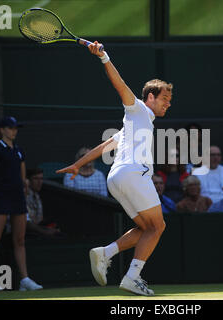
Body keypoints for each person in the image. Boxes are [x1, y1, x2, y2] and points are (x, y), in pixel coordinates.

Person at [56, 41, 172, 296]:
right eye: (164, 98)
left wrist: (78, 164)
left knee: (146, 229)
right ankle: (132, 277)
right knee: (158, 227)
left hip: (115, 178)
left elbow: (107, 144)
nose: (168, 104)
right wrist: (104, 57)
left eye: (169, 100)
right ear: (150, 97)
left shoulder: (135, 123)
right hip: (133, 174)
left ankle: (104, 253)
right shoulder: (138, 108)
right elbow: (120, 86)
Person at [0, 116, 42, 292]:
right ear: (2, 130)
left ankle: (24, 280)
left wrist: (24, 187)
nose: (14, 131)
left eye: (15, 128)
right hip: (1, 199)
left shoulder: (19, 151)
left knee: (20, 240)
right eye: (10, 128)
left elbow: (23, 180)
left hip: (18, 200)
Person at [26, 168, 62, 238]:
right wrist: (45, 231)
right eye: (36, 179)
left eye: (41, 179)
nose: (39, 182)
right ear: (28, 181)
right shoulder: (24, 195)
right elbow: (27, 224)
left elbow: (39, 220)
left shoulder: (37, 196)